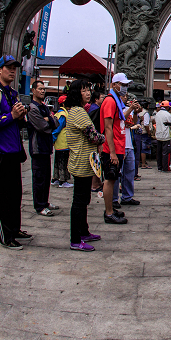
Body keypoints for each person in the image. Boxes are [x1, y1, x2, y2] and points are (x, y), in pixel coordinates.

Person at [0, 54, 30, 250]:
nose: (12, 71)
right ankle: (6, 235)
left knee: (15, 194)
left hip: (13, 150)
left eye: (14, 68)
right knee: (2, 196)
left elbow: (16, 121)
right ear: (0, 69)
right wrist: (11, 115)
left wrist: (20, 117)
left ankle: (15, 228)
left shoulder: (12, 93)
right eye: (9, 67)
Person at [64, 79, 105, 250]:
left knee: (83, 199)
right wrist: (103, 138)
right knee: (80, 201)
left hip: (83, 160)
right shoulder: (79, 112)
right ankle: (75, 239)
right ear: (76, 93)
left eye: (89, 90)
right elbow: (93, 135)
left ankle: (84, 231)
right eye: (84, 90)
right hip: (82, 161)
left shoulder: (76, 110)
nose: (88, 93)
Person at [100, 74, 133, 225]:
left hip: (119, 146)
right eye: (122, 84)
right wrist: (112, 152)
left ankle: (111, 209)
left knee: (113, 179)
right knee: (110, 179)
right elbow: (108, 127)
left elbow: (120, 121)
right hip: (111, 147)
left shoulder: (117, 101)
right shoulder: (110, 101)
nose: (125, 87)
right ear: (114, 85)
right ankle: (108, 212)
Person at [28, 80, 59, 216]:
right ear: (33, 91)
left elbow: (56, 122)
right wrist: (48, 120)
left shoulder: (44, 107)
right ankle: (39, 205)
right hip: (37, 147)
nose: (42, 91)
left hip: (46, 147)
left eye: (43, 89)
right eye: (40, 89)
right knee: (39, 178)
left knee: (46, 177)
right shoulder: (32, 108)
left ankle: (45, 202)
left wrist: (49, 119)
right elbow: (42, 127)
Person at [117, 93, 141, 207]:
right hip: (119, 145)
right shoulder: (117, 109)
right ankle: (113, 199)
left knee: (130, 173)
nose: (125, 98)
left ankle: (127, 196)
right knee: (118, 173)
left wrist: (135, 112)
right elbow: (122, 119)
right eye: (123, 96)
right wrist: (131, 109)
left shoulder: (129, 110)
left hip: (129, 144)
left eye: (127, 96)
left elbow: (134, 122)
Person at [51, 95, 72, 187]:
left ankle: (55, 178)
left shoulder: (58, 114)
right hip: (63, 143)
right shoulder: (63, 114)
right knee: (63, 162)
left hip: (59, 143)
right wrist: (53, 139)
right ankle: (62, 181)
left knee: (57, 162)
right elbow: (58, 129)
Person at [154, 101, 171, 172]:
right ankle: (165, 168)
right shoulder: (167, 114)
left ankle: (159, 167)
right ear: (167, 107)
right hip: (166, 135)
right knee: (165, 152)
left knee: (159, 152)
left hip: (158, 135)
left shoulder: (157, 114)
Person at [137, 100, 152, 172]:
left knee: (139, 148)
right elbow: (146, 124)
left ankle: (139, 162)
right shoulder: (146, 113)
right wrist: (149, 132)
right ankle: (143, 163)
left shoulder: (138, 112)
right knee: (144, 148)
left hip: (139, 132)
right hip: (144, 132)